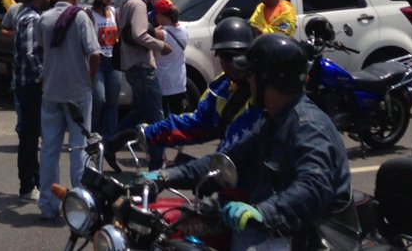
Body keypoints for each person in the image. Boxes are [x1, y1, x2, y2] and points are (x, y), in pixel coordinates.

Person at [148, 34, 352, 251]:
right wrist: (164, 176)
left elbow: (313, 185)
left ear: (268, 79)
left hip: (308, 234)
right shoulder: (270, 119)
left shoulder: (308, 126)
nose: (248, 81)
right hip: (275, 224)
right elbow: (226, 161)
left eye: (252, 74)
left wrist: (264, 212)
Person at [142, 15, 260, 159]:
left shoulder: (265, 93)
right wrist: (149, 132)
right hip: (229, 167)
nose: (230, 63)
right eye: (223, 56)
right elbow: (198, 124)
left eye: (236, 56)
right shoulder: (221, 88)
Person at [36, 0, 100, 222]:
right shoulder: (81, 17)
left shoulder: (44, 19)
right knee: (79, 148)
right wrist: (89, 80)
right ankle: (81, 207)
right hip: (77, 92)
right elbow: (94, 54)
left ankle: (48, 205)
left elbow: (43, 50)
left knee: (50, 150)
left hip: (51, 90)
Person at [115, 0, 170, 169]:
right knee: (156, 117)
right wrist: (160, 45)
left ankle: (110, 144)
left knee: (140, 113)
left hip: (133, 65)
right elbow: (138, 34)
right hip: (141, 66)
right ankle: (157, 164)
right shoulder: (137, 3)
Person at [12, 0, 50, 202]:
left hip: (25, 85)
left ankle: (34, 181)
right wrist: (42, 77)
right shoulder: (32, 18)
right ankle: (28, 185)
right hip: (30, 87)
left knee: (30, 136)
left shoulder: (23, 14)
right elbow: (29, 53)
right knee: (29, 138)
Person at [85, 0, 121, 139]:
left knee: (113, 101)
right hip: (97, 62)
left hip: (113, 61)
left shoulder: (114, 12)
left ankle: (110, 136)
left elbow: (118, 32)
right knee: (99, 98)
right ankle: (91, 132)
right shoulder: (89, 14)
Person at [154, 0, 188, 115]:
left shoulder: (161, 34)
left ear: (161, 15)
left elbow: (143, 35)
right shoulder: (184, 30)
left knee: (165, 117)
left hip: (164, 82)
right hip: (180, 81)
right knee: (178, 115)